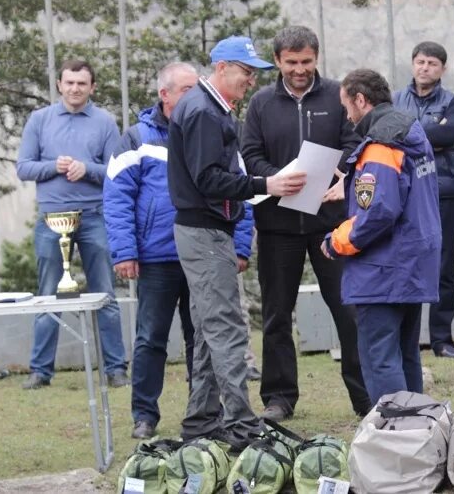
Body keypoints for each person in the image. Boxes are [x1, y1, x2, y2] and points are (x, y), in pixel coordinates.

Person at [167, 35, 307, 450]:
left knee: (211, 328)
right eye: (246, 72)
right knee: (227, 329)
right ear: (222, 67)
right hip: (205, 232)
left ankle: (200, 422)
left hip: (205, 231)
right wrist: (268, 183)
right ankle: (243, 429)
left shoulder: (209, 108)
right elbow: (209, 179)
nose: (251, 80)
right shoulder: (205, 112)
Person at [104, 62, 257, 440]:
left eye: (197, 88)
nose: (195, 95)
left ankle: (204, 413)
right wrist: (125, 252)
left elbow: (241, 189)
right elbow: (117, 196)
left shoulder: (212, 127)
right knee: (151, 337)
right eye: (186, 89)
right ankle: (144, 414)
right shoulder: (138, 138)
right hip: (156, 255)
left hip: (205, 249)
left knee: (203, 334)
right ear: (165, 94)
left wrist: (239, 246)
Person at [241, 26, 370, 422]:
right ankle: (279, 398)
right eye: (292, 62)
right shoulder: (260, 103)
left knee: (348, 311)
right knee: (278, 314)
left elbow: (356, 142)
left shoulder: (337, 95)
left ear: (317, 58)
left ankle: (366, 397)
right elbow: (250, 154)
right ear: (278, 61)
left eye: (307, 62)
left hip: (330, 225)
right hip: (278, 225)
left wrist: (336, 169)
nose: (300, 70)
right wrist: (275, 179)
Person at [322, 69, 442, 405]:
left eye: (347, 106)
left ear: (361, 100)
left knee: (379, 355)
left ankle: (395, 433)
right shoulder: (411, 131)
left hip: (384, 267)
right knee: (406, 353)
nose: (347, 116)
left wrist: (336, 241)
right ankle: (418, 430)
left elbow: (378, 211)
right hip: (414, 261)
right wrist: (349, 183)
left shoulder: (380, 146)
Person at [16, 59, 128, 390]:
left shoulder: (105, 122)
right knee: (48, 293)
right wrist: (54, 166)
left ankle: (116, 369)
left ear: (92, 87)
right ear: (59, 85)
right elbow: (23, 168)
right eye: (69, 83)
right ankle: (40, 371)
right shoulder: (39, 120)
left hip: (95, 217)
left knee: (104, 293)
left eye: (82, 83)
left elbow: (116, 170)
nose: (75, 88)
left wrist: (88, 170)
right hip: (51, 220)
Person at [392, 41, 454, 358]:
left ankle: (441, 338)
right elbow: (386, 134)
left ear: (442, 69)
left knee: (443, 263)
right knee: (404, 260)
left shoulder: (453, 102)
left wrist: (410, 132)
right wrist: (428, 131)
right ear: (412, 64)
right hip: (403, 189)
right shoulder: (395, 100)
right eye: (420, 62)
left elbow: (450, 135)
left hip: (441, 189)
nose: (425, 68)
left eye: (432, 63)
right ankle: (403, 337)